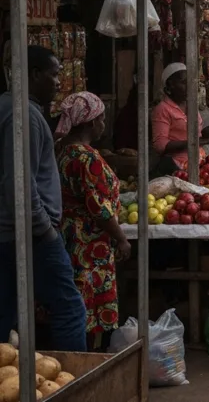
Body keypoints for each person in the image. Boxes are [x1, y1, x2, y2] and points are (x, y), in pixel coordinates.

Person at [0, 45, 87, 351]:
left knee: (6, 311)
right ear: (34, 75)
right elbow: (19, 183)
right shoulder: (24, 116)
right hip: (30, 234)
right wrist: (45, 229)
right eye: (53, 75)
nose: (58, 83)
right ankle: (73, 385)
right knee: (69, 307)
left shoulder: (11, 109)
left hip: (12, 233)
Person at [55, 92, 131, 350]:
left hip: (69, 234)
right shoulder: (87, 158)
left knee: (75, 295)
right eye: (101, 119)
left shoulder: (64, 151)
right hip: (89, 241)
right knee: (88, 300)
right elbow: (99, 207)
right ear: (89, 123)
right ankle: (87, 356)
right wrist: (121, 239)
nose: (103, 125)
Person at [152, 63, 209, 171]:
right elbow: (160, 146)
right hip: (177, 167)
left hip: (199, 163)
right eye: (184, 82)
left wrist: (205, 134)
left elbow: (191, 134)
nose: (189, 85)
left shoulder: (190, 105)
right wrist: (197, 142)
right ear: (170, 85)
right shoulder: (162, 109)